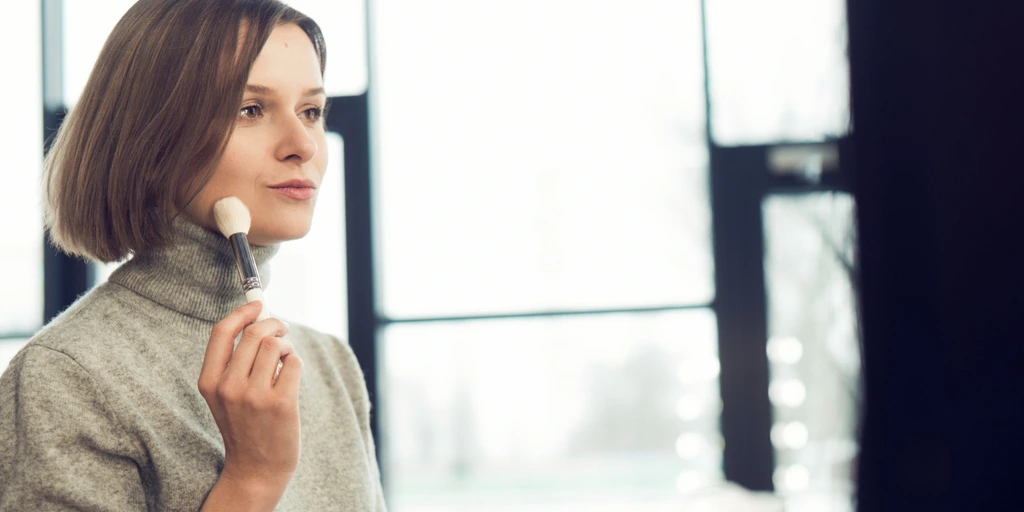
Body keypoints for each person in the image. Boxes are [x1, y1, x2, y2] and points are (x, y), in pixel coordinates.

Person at [0, 1, 386, 510]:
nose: (303, 145)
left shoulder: (329, 364)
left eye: (311, 111)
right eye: (251, 109)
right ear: (153, 141)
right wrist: (252, 478)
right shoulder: (66, 377)